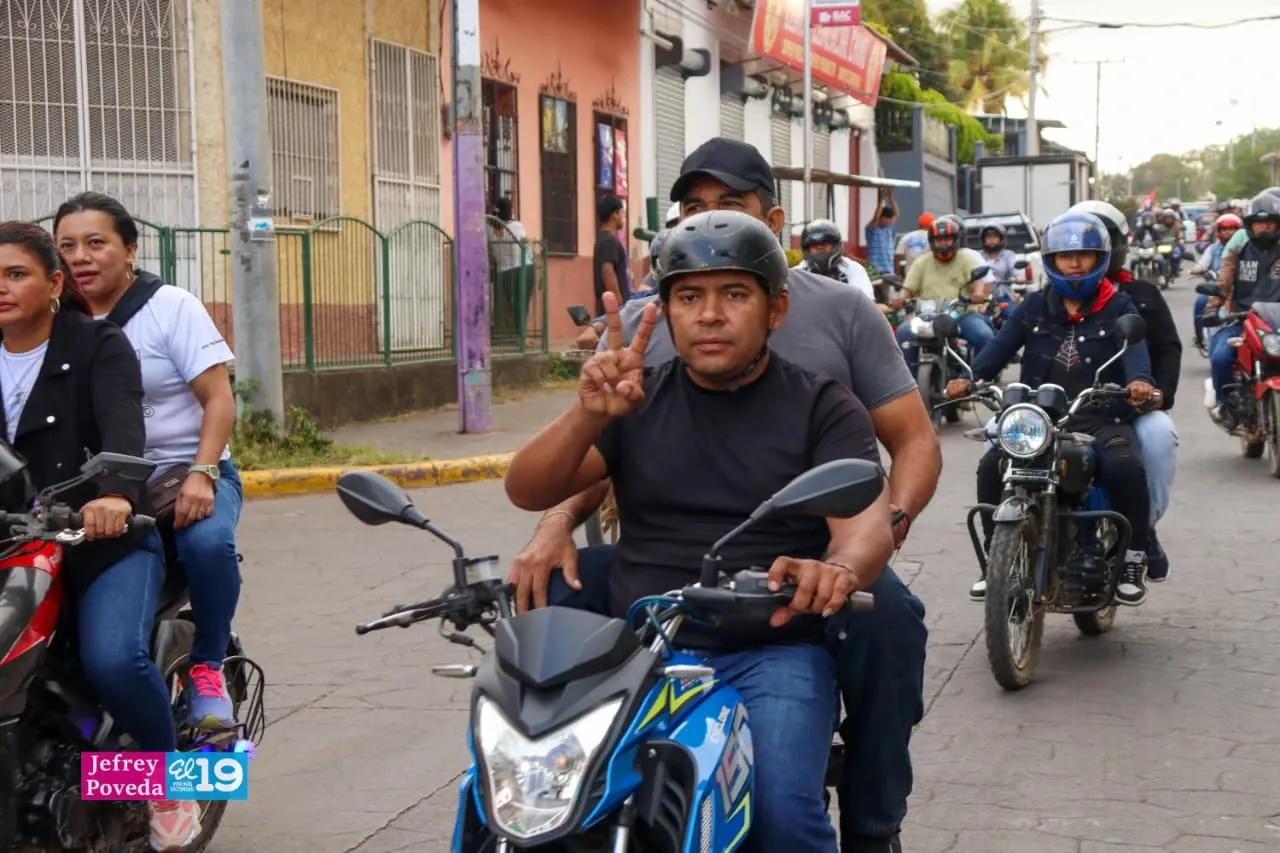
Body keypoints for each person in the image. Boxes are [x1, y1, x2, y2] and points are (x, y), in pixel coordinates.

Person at [508, 137, 939, 853]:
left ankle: (873, 820)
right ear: (668, 305)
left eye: (733, 293)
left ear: (774, 306)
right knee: (542, 800)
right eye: (691, 297)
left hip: (772, 632)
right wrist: (582, 426)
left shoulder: (823, 390)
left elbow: (872, 492)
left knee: (783, 810)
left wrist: (845, 561)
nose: (709, 313)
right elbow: (532, 483)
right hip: (646, 631)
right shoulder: (638, 381)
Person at [0, 222, 203, 848]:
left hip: (92, 542)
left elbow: (123, 427)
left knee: (112, 658)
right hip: (10, 542)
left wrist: (114, 493)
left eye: (16, 274)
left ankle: (166, 779)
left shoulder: (97, 344)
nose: (1, 289)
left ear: (54, 283)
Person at [53, 193, 243, 733]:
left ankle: (208, 663)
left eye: (96, 243)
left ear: (129, 249)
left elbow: (220, 399)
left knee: (207, 543)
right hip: (98, 485)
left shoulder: (171, 307)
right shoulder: (57, 320)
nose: (80, 258)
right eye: (67, 246)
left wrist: (204, 474)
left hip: (181, 471)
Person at [948, 211, 1157, 605]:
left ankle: (1133, 557)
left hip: (1100, 417)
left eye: (1084, 256)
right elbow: (999, 348)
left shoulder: (1119, 306)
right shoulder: (1032, 308)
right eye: (1065, 256)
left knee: (1123, 466)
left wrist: (1139, 382)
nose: (1074, 263)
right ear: (1051, 260)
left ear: (1100, 260)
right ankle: (996, 559)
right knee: (991, 466)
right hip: (1037, 419)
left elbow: (1136, 353)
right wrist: (972, 377)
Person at [1069, 200, 1181, 582]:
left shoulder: (1144, 293)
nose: (1083, 255)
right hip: (1071, 407)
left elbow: (1167, 349)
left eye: (1097, 242)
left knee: (1161, 437)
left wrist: (1158, 395)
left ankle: (1143, 528)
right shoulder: (1056, 293)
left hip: (1132, 407)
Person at [1208, 191, 1280, 424]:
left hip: (1276, 323)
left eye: (1269, 223)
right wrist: (1212, 308)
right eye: (1260, 224)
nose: (1265, 229)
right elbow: (1223, 281)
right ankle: (1225, 406)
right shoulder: (1238, 250)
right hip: (1242, 320)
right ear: (1250, 225)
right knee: (1220, 356)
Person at [895, 215, 994, 375]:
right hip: (927, 316)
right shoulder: (922, 262)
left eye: (947, 239)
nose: (943, 243)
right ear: (932, 241)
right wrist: (900, 299)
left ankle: (974, 380)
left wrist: (977, 294)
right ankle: (908, 382)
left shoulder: (966, 259)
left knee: (985, 335)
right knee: (903, 332)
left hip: (961, 314)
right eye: (939, 239)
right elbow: (907, 288)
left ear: (955, 240)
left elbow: (978, 284)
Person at [1190, 213, 1242, 348]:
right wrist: (1198, 269)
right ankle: (1199, 336)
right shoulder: (1213, 249)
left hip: (1239, 289)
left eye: (1231, 229)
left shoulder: (1244, 248)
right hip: (1217, 289)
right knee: (1201, 301)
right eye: (1224, 229)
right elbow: (1201, 264)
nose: (1227, 232)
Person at [798, 219, 875, 301]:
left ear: (835, 246)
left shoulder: (853, 269)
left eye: (824, 244)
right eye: (814, 245)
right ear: (807, 249)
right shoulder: (798, 273)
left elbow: (866, 302)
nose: (819, 247)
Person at [488, 197, 533, 337]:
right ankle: (521, 336)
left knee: (512, 304)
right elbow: (525, 243)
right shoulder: (516, 226)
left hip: (504, 270)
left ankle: (514, 333)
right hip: (524, 267)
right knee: (522, 302)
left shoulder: (490, 227)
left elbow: (491, 249)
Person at [593, 194, 630, 315]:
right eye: (621, 213)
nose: (623, 218)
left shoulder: (602, 239)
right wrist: (619, 303)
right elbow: (607, 271)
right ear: (614, 214)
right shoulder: (610, 241)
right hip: (612, 310)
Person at [864, 188, 899, 275]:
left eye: (889, 219)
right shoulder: (872, 228)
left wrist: (890, 198)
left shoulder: (888, 228)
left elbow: (897, 214)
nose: (887, 221)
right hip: (874, 270)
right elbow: (876, 217)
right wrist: (881, 200)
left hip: (888, 269)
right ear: (881, 217)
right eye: (885, 219)